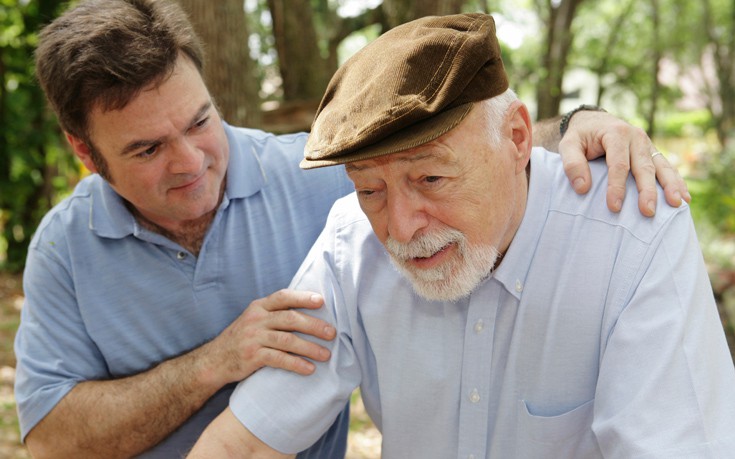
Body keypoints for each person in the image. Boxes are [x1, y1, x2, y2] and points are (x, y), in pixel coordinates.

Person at [13, 1, 688, 457]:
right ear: (85, 152)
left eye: (198, 122)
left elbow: (449, 155)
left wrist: (581, 125)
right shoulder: (64, 250)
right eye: (147, 149)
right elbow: (47, 438)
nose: (192, 163)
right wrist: (212, 363)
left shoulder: (316, 181)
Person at [189, 13, 735, 459]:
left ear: (518, 138)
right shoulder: (349, 246)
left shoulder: (631, 236)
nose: (400, 229)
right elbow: (245, 445)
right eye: (370, 190)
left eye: (430, 178)